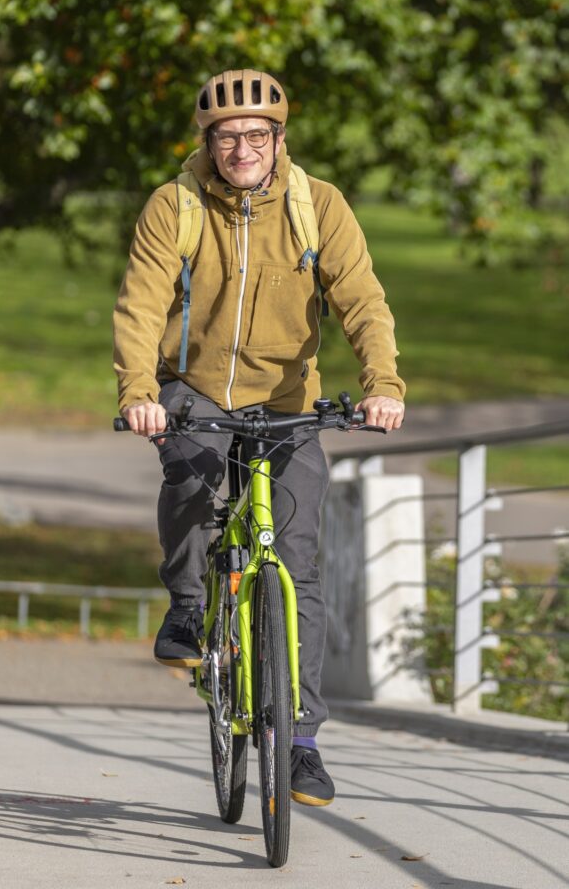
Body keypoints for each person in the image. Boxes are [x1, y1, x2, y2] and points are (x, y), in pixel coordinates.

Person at [113, 68, 405, 807]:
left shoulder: (318, 206)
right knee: (189, 473)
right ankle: (185, 603)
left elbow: (362, 300)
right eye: (224, 136)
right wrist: (141, 394)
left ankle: (300, 742)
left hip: (287, 400)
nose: (240, 148)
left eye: (254, 134)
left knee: (296, 565)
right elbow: (141, 305)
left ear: (279, 138)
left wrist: (382, 386)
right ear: (206, 143)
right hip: (194, 389)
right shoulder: (173, 206)